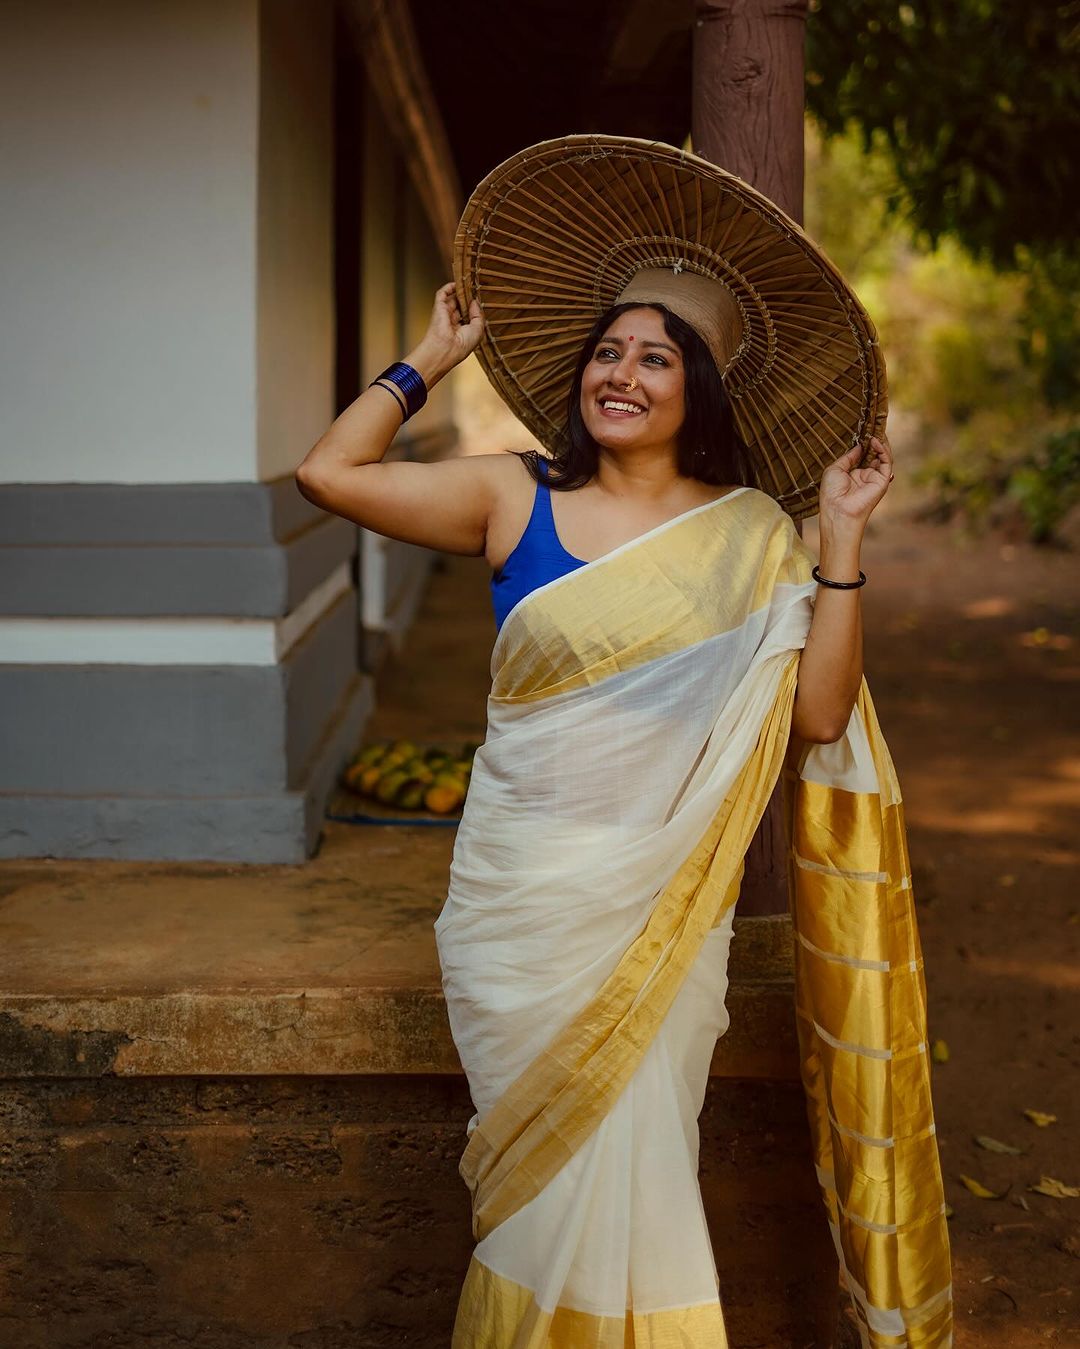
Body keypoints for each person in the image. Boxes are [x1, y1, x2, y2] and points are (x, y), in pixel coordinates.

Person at [297, 136, 953, 1348]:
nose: (624, 371)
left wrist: (842, 544)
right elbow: (327, 473)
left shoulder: (755, 534)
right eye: (609, 350)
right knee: (539, 1202)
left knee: (645, 1181)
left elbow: (813, 718)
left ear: (697, 390)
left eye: (657, 357)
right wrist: (427, 360)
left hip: (663, 913)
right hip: (523, 904)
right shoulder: (512, 495)